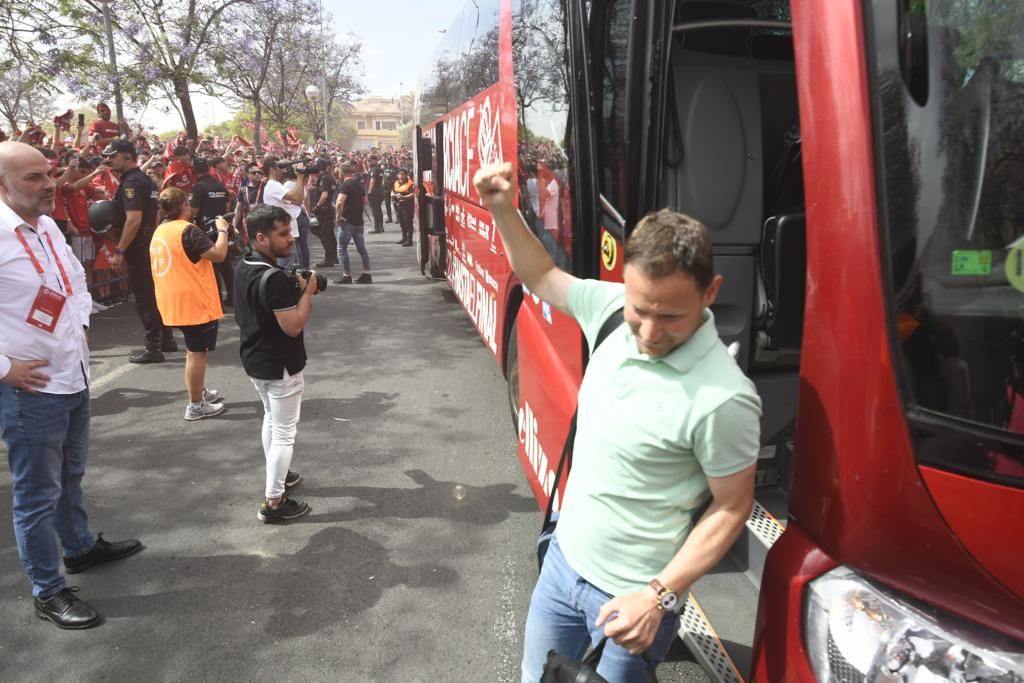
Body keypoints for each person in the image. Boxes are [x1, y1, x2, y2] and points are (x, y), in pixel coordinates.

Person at [473, 163, 762, 682]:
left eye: (671, 316)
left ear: (711, 292)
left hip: (633, 597)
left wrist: (658, 598)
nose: (649, 332)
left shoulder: (724, 398)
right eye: (639, 308)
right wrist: (502, 209)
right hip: (563, 564)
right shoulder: (608, 310)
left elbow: (732, 507)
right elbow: (540, 275)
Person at [0, 141, 142, 629]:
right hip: (30, 390)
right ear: (2, 185)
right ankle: (47, 590)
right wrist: (3, 369)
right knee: (36, 494)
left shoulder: (48, 228)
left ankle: (79, 548)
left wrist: (79, 324)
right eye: (34, 179)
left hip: (74, 374)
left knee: (71, 475)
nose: (49, 185)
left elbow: (74, 283)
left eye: (49, 174)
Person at [233, 204, 316, 523]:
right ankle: (274, 502)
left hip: (255, 359)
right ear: (260, 238)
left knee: (271, 418)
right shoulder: (273, 278)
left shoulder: (244, 265)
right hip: (280, 364)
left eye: (290, 231)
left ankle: (278, 476)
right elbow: (293, 325)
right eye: (282, 234)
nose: (291, 239)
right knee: (284, 433)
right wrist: (306, 291)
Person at [151, 188, 229, 420]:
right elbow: (218, 254)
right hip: (193, 300)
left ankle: (198, 391)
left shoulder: (160, 230)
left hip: (171, 297)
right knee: (197, 352)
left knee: (193, 350)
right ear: (184, 205)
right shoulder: (187, 230)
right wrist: (223, 231)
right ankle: (195, 405)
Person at [105, 140, 176, 363]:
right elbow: (154, 216)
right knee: (155, 294)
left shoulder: (132, 183)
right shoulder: (147, 180)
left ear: (127, 156)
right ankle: (166, 340)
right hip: (151, 244)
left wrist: (119, 251)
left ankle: (153, 347)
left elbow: (133, 220)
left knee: (145, 297)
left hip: (139, 248)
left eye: (112, 155)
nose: (108, 160)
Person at [190, 158, 238, 307]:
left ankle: (217, 301)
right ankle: (233, 297)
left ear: (195, 170)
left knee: (211, 267)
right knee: (225, 264)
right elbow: (227, 207)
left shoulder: (197, 188)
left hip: (206, 231)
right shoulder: (220, 185)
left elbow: (192, 211)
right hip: (222, 227)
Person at [262, 156, 306, 270]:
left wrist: (300, 178)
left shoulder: (278, 185)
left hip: (287, 233)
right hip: (281, 234)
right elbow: (293, 196)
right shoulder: (272, 184)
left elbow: (298, 200)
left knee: (292, 269)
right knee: (285, 270)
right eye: (280, 167)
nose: (283, 170)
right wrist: (300, 176)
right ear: (272, 169)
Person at [333, 163, 372, 284]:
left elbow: (339, 202)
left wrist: (338, 217)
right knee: (362, 249)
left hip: (347, 222)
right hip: (359, 222)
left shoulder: (345, 185)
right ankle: (367, 274)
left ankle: (347, 275)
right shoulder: (359, 184)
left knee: (342, 248)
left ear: (341, 173)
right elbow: (365, 202)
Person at [312, 159, 339, 266]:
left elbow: (324, 195)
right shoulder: (330, 177)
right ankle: (334, 257)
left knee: (325, 234)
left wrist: (317, 206)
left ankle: (329, 258)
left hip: (324, 209)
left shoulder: (324, 178)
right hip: (328, 208)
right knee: (330, 234)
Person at [393, 169, 416, 247]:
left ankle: (409, 240)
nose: (400, 176)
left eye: (402, 174)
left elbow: (413, 194)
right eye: (399, 174)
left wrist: (403, 197)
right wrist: (393, 195)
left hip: (407, 206)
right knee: (402, 222)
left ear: (406, 175)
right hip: (399, 205)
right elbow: (392, 191)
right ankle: (404, 238)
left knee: (408, 223)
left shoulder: (410, 183)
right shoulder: (396, 182)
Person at [368, 161, 385, 233]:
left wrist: (369, 192)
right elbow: (383, 181)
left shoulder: (373, 170)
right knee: (378, 209)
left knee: (374, 210)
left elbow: (372, 181)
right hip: (380, 191)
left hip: (374, 192)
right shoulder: (380, 170)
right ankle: (381, 226)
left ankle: (377, 227)